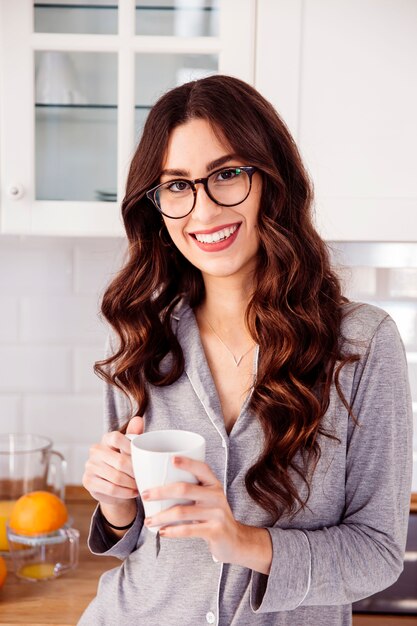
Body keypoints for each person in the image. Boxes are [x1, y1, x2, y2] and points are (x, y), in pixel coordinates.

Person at [78, 75, 412, 626]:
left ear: (271, 183)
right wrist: (115, 507)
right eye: (177, 185)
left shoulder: (362, 345)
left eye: (227, 175)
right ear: (157, 204)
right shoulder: (139, 333)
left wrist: (244, 541)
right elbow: (133, 539)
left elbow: (377, 553)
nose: (203, 211)